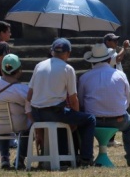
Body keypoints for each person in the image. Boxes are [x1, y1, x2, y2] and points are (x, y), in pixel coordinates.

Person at [26, 38, 97, 167]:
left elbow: (29, 95)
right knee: (89, 119)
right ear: (68, 53)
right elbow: (73, 99)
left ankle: (63, 157)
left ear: (52, 51)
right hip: (54, 113)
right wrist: (74, 120)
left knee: (64, 118)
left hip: (37, 113)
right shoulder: (68, 69)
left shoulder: (39, 66)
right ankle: (86, 158)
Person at [78, 43, 130, 167]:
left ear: (92, 61)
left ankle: (85, 158)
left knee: (80, 126)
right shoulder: (121, 75)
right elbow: (127, 101)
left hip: (93, 121)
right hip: (118, 119)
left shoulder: (85, 77)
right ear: (108, 58)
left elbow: (81, 102)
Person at [0, 53, 31, 169]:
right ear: (19, 70)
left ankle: (4, 158)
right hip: (18, 124)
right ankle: (20, 159)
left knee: (3, 123)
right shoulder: (21, 90)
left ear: (2, 68)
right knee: (29, 127)